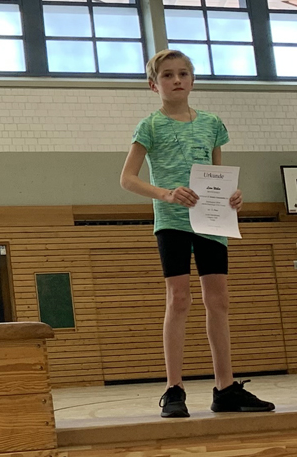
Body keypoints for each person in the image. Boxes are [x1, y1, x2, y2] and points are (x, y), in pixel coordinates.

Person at [120, 49, 274, 418]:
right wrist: (166, 194)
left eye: (183, 73)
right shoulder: (150, 126)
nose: (176, 80)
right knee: (179, 299)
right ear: (153, 85)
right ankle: (174, 388)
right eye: (168, 75)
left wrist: (232, 196)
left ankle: (225, 388)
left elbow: (219, 174)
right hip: (173, 221)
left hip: (211, 222)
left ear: (192, 80)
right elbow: (127, 179)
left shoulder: (212, 124)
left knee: (218, 300)